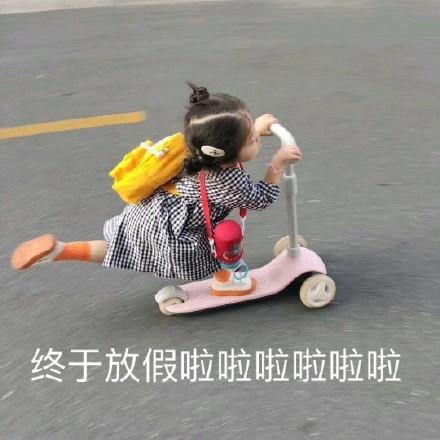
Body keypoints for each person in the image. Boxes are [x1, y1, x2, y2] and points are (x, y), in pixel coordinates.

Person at [10, 83, 302, 281]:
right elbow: (260, 199)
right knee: (223, 239)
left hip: (153, 211)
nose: (257, 139)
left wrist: (253, 130)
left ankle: (62, 250)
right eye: (251, 139)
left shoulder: (196, 150)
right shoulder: (227, 181)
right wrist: (276, 166)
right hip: (175, 230)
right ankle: (227, 281)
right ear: (223, 152)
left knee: (119, 246)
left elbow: (232, 141)